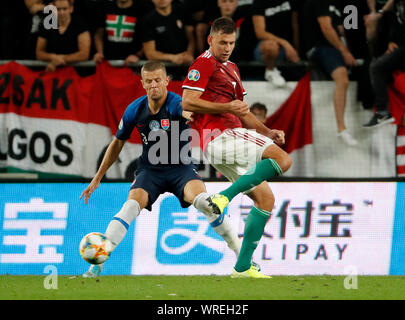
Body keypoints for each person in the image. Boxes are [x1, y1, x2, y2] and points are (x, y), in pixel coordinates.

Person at [80, 61, 243, 278]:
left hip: (181, 169)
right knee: (129, 207)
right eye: (149, 81)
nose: (154, 85)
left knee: (206, 203)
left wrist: (190, 115)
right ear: (143, 84)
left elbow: (186, 111)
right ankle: (97, 265)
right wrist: (98, 177)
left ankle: (244, 258)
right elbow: (117, 143)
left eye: (158, 80)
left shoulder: (176, 104)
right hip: (150, 172)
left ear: (167, 81)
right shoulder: (135, 109)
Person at [182, 17, 292, 278]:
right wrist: (225, 107)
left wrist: (268, 131)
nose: (227, 47)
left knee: (265, 199)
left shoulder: (231, 68)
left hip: (226, 143)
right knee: (284, 160)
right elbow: (187, 101)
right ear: (211, 40)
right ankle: (225, 196)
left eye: (231, 42)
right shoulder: (204, 63)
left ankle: (242, 267)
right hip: (222, 135)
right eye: (222, 42)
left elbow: (242, 111)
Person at [302, 0, 358, 146]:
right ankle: (341, 128)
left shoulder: (339, 6)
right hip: (319, 47)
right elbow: (326, 28)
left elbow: (340, 30)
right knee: (342, 78)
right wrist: (344, 51)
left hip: (332, 47)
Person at [363, 0, 405, 127]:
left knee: (376, 67)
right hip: (400, 45)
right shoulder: (395, 7)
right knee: (376, 67)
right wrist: (391, 40)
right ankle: (383, 112)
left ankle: (382, 112)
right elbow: (396, 21)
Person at [252, 0, 300, 87]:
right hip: (265, 47)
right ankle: (271, 71)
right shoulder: (259, 2)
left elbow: (295, 25)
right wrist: (286, 44)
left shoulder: (292, 1)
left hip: (286, 49)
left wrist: (296, 49)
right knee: (270, 46)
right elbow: (260, 33)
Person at [36, 0, 91, 72]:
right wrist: (54, 57)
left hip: (76, 74)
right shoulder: (46, 25)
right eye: (58, 9)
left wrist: (61, 59)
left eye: (65, 9)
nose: (62, 12)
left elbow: (84, 54)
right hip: (53, 72)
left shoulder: (80, 25)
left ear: (71, 9)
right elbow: (39, 53)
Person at [93, 0, 152, 65]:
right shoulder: (104, 7)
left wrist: (138, 55)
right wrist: (100, 53)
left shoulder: (143, 9)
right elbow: (98, 34)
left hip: (134, 64)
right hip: (107, 62)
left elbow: (149, 37)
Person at [141, 0, 195, 65]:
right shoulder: (148, 20)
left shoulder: (182, 10)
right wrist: (173, 57)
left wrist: (189, 54)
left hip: (187, 64)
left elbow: (192, 38)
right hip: (162, 68)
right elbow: (150, 53)